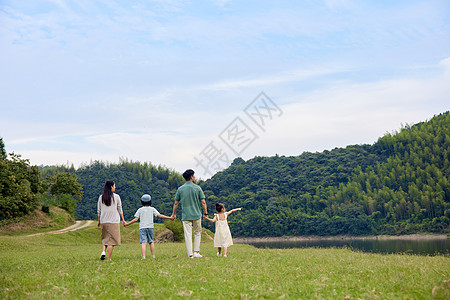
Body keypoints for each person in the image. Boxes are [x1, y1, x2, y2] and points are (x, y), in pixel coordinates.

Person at [171, 169, 208, 258]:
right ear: (191, 177)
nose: (194, 177)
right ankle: (196, 252)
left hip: (186, 215)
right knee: (197, 232)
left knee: (187, 235)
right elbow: (203, 202)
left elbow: (176, 203)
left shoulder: (180, 189)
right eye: (194, 175)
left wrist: (174, 214)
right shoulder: (197, 188)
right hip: (196, 214)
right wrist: (205, 213)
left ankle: (190, 254)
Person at [124, 194, 172, 259]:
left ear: (142, 202)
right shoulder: (152, 209)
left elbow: (135, 219)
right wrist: (170, 217)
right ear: (150, 201)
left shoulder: (140, 210)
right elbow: (160, 215)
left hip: (142, 228)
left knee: (143, 242)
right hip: (150, 227)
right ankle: (153, 256)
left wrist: (127, 224)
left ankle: (143, 257)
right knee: (151, 242)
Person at [97, 180, 126, 261]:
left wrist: (99, 221)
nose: (115, 187)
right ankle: (108, 259)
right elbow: (120, 209)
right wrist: (123, 220)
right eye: (114, 186)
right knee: (112, 241)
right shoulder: (116, 197)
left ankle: (103, 251)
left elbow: (99, 210)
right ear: (111, 187)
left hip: (104, 221)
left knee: (105, 238)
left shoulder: (101, 197)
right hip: (114, 221)